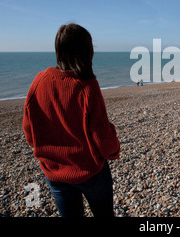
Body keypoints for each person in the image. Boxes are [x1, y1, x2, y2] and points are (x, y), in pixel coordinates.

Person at [23, 23, 120, 217]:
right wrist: (114, 150)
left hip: (54, 171)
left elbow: (29, 130)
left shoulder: (39, 81)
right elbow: (101, 135)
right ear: (87, 51)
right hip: (90, 171)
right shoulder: (87, 86)